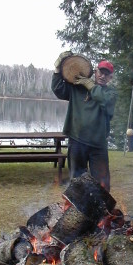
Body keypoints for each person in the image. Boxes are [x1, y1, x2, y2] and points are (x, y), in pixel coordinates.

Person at [51, 51, 117, 191]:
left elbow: (104, 101)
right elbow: (58, 89)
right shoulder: (78, 88)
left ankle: (102, 211)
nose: (102, 76)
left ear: (110, 77)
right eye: (100, 72)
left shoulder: (110, 93)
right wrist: (57, 69)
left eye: (106, 74)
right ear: (95, 71)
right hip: (77, 141)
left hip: (98, 145)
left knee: (102, 183)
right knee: (77, 180)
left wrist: (90, 85)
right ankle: (78, 209)